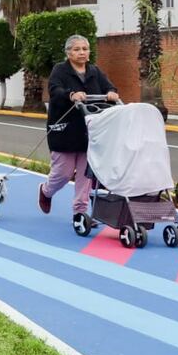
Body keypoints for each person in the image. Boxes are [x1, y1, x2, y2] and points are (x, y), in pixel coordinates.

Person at [38, 34, 119, 218]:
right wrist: (71, 95)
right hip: (65, 130)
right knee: (63, 173)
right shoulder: (60, 70)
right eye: (76, 49)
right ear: (68, 53)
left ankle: (80, 212)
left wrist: (112, 93)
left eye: (84, 49)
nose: (81, 53)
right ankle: (46, 191)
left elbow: (110, 87)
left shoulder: (94, 71)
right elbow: (55, 90)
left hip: (90, 132)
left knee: (86, 176)